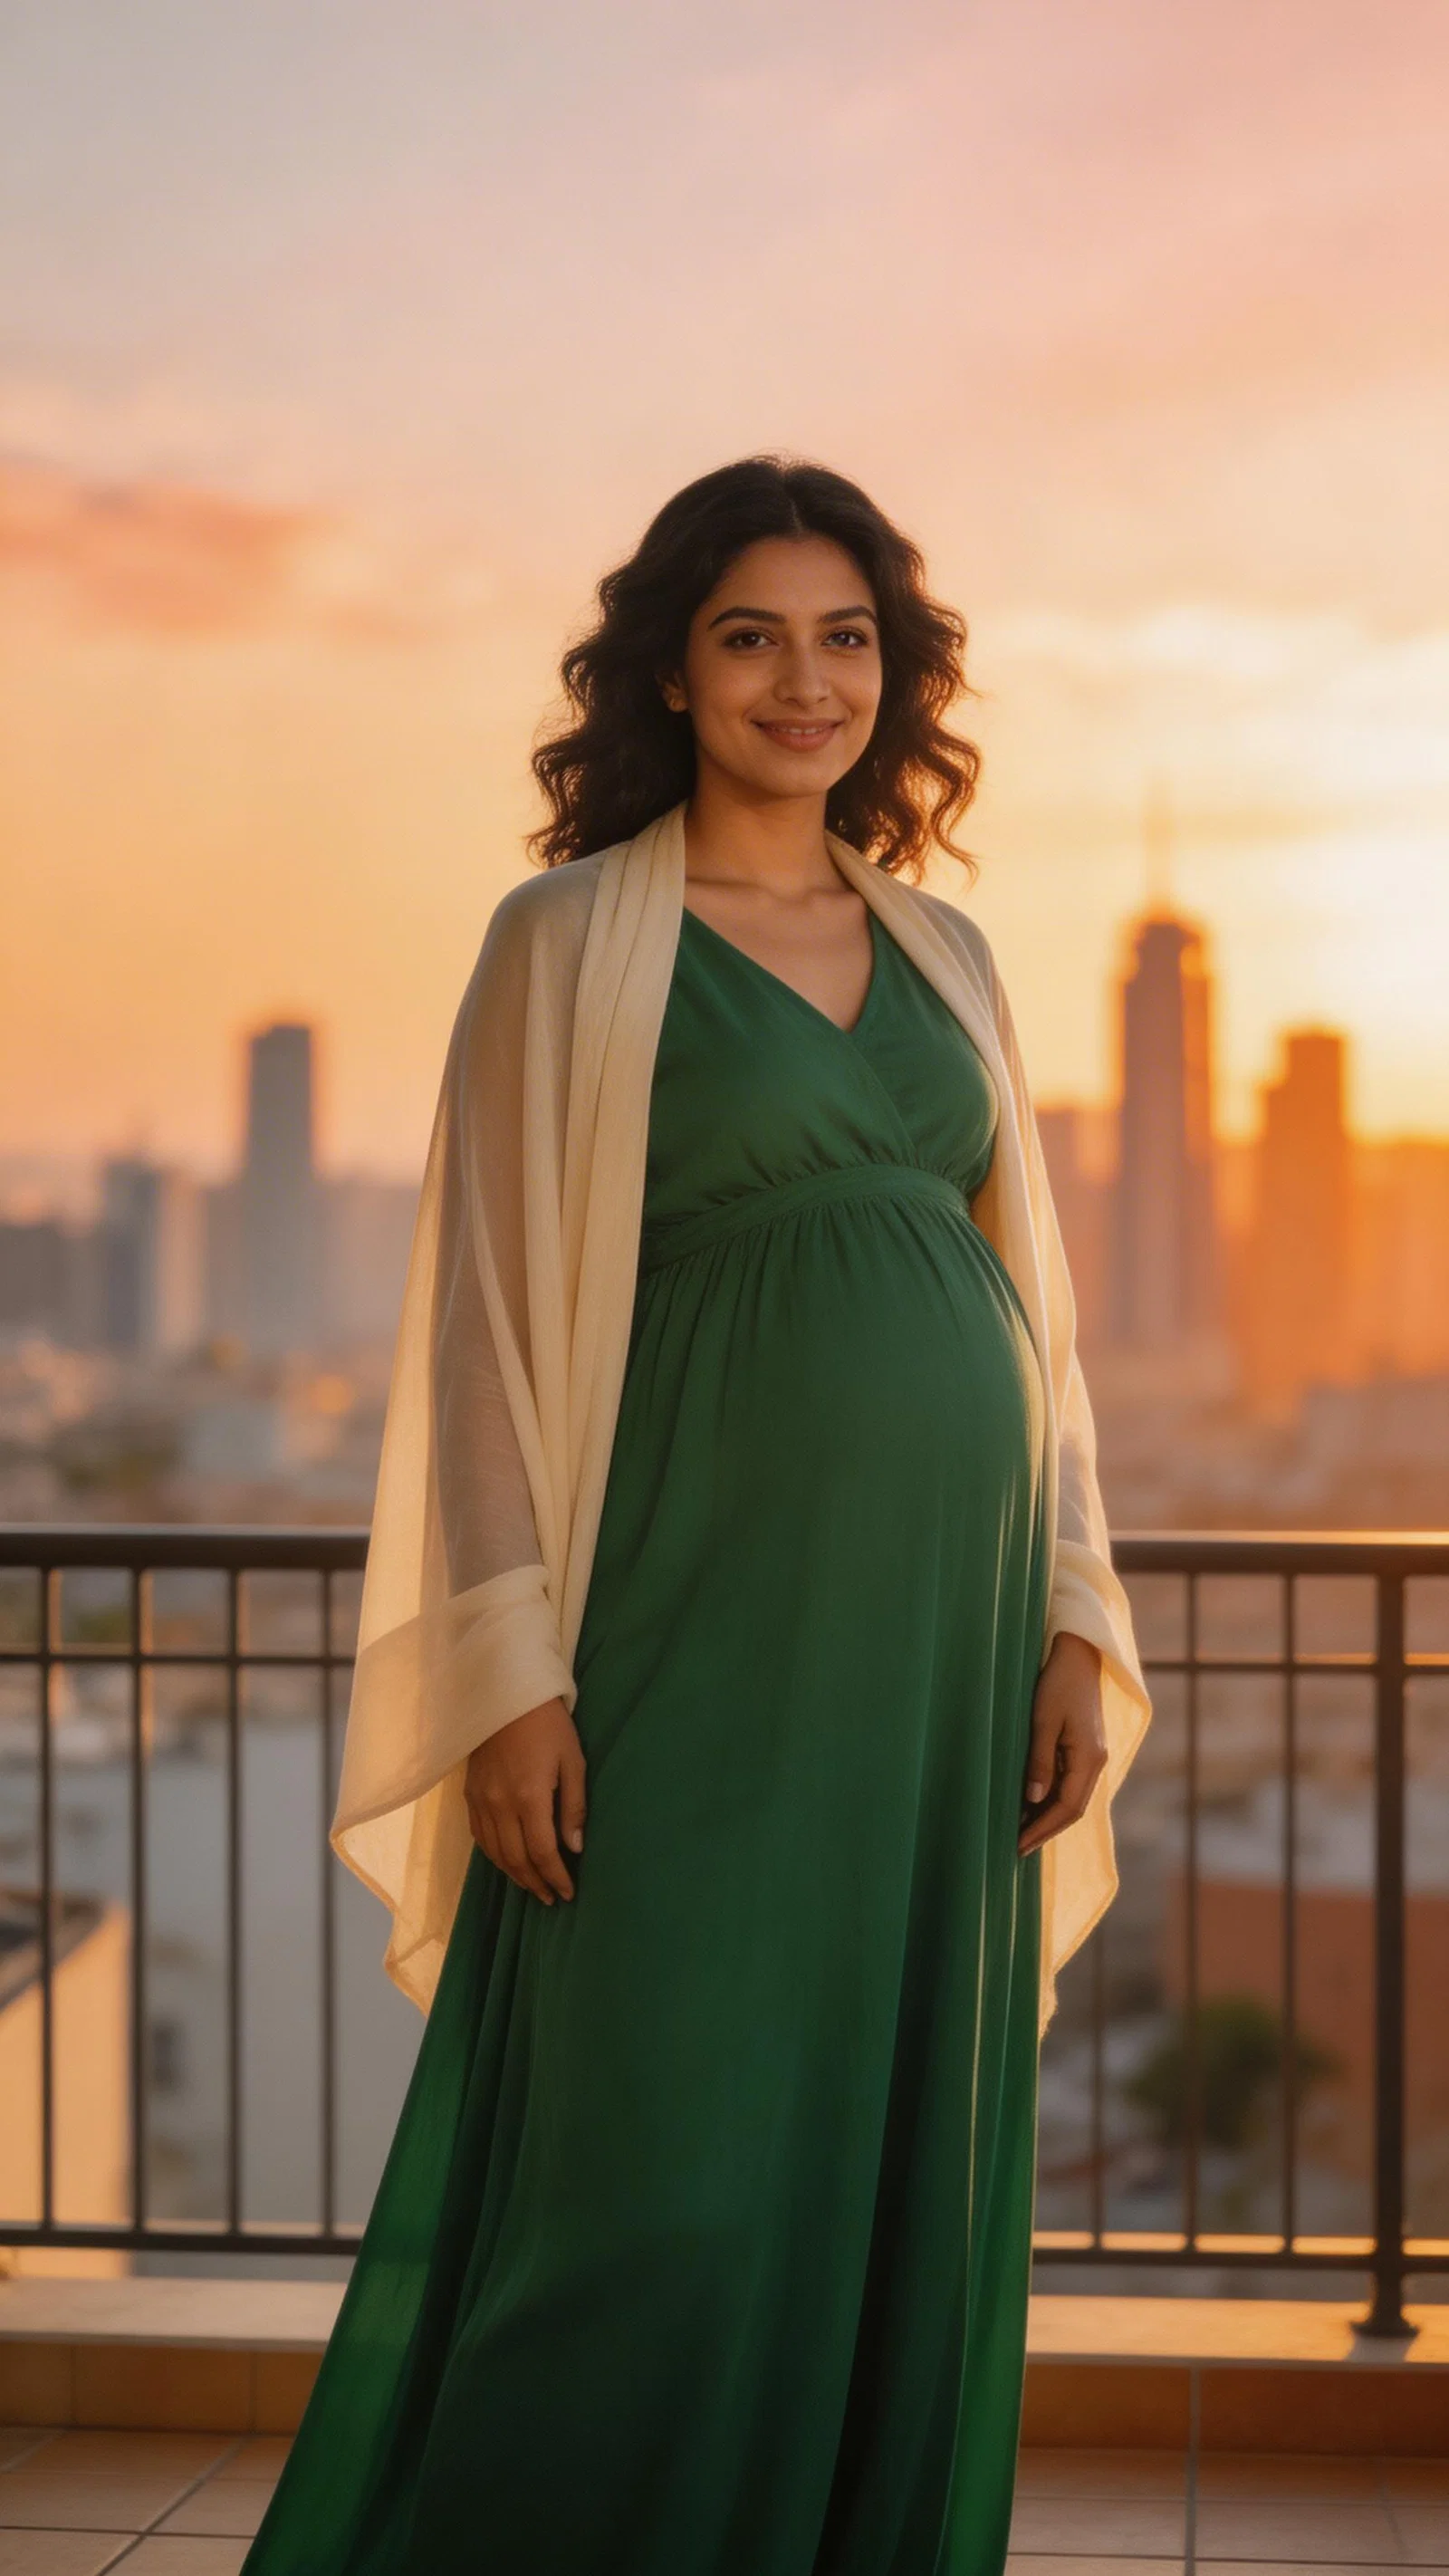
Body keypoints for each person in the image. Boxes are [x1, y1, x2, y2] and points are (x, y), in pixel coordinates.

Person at [243, 455, 1150, 2576]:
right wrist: (505, 1672)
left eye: (847, 639)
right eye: (752, 634)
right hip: (681, 1630)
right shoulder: (565, 940)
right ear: (672, 666)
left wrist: (1073, 1621)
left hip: (938, 1648)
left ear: (892, 680)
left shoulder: (948, 956)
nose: (802, 680)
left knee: (879, 2155)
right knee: (648, 2181)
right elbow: (477, 1327)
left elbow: (1043, 1331)